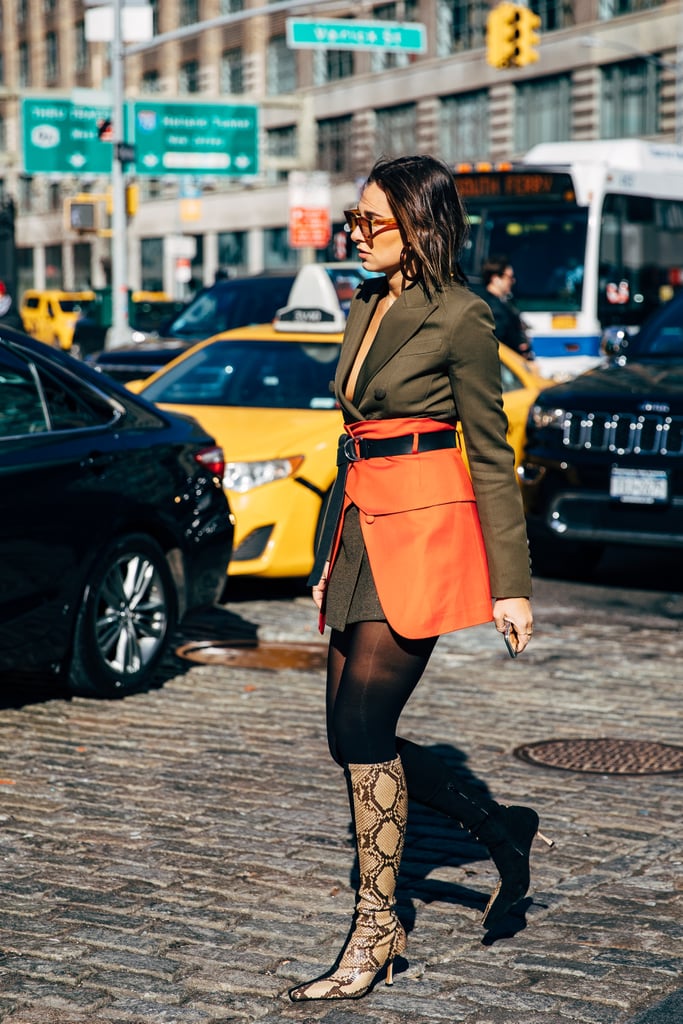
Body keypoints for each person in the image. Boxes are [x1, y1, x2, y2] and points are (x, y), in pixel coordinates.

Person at [287, 155, 551, 1004]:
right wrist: (326, 556)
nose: (355, 234)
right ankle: (500, 830)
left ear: (420, 225)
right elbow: (353, 434)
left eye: (372, 221)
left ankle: (375, 930)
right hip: (357, 526)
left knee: (365, 727)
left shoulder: (463, 316)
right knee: (345, 735)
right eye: (354, 220)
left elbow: (489, 451)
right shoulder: (367, 303)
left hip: (425, 531)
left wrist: (510, 583)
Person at [481, 256, 534, 359]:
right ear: (496, 279)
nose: (513, 281)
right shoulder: (492, 308)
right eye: (509, 277)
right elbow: (499, 342)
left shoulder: (504, 303)